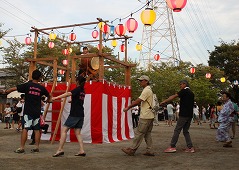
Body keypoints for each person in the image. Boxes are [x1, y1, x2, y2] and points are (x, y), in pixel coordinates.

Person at [3, 70, 51, 153]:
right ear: (39, 78)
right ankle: (36, 147)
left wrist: (7, 91)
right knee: (37, 129)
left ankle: (22, 148)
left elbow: (16, 88)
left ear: (32, 76)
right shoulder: (41, 88)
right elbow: (49, 95)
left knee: (25, 128)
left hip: (28, 112)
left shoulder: (28, 85)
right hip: (37, 112)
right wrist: (49, 100)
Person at [52, 75, 86, 157]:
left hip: (74, 114)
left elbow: (68, 93)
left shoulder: (77, 89)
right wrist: (72, 100)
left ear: (77, 81)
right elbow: (78, 99)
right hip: (81, 114)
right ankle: (82, 150)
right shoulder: (82, 91)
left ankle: (60, 149)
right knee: (78, 133)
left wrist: (55, 97)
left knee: (64, 130)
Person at [121, 75, 155, 156]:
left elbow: (138, 101)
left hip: (145, 115)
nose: (140, 82)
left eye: (141, 80)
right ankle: (149, 150)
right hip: (150, 115)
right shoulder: (149, 89)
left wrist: (128, 107)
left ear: (146, 81)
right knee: (147, 134)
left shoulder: (146, 90)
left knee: (139, 133)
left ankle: (132, 149)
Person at [160, 80, 195, 153]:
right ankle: (190, 147)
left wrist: (165, 101)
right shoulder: (191, 93)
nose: (180, 86)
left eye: (181, 84)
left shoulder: (184, 91)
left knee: (177, 130)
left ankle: (172, 146)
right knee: (185, 131)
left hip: (184, 114)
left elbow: (174, 96)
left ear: (185, 84)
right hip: (190, 115)